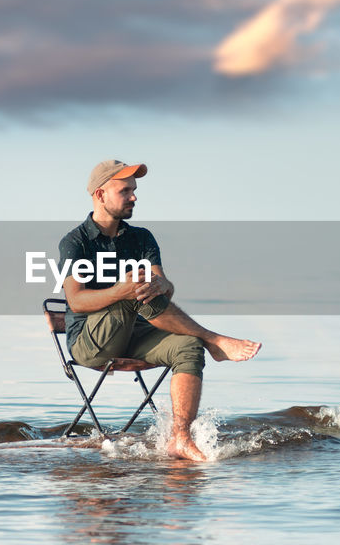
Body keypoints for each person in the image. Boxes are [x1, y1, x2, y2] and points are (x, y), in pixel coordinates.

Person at [59, 160, 261, 461]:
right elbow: (75, 301)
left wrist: (161, 284)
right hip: (89, 342)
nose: (134, 197)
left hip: (132, 332)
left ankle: (180, 438)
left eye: (134, 191)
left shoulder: (142, 238)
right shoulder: (75, 242)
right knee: (133, 289)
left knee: (188, 346)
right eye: (125, 191)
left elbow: (164, 286)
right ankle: (215, 339)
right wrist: (123, 290)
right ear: (100, 195)